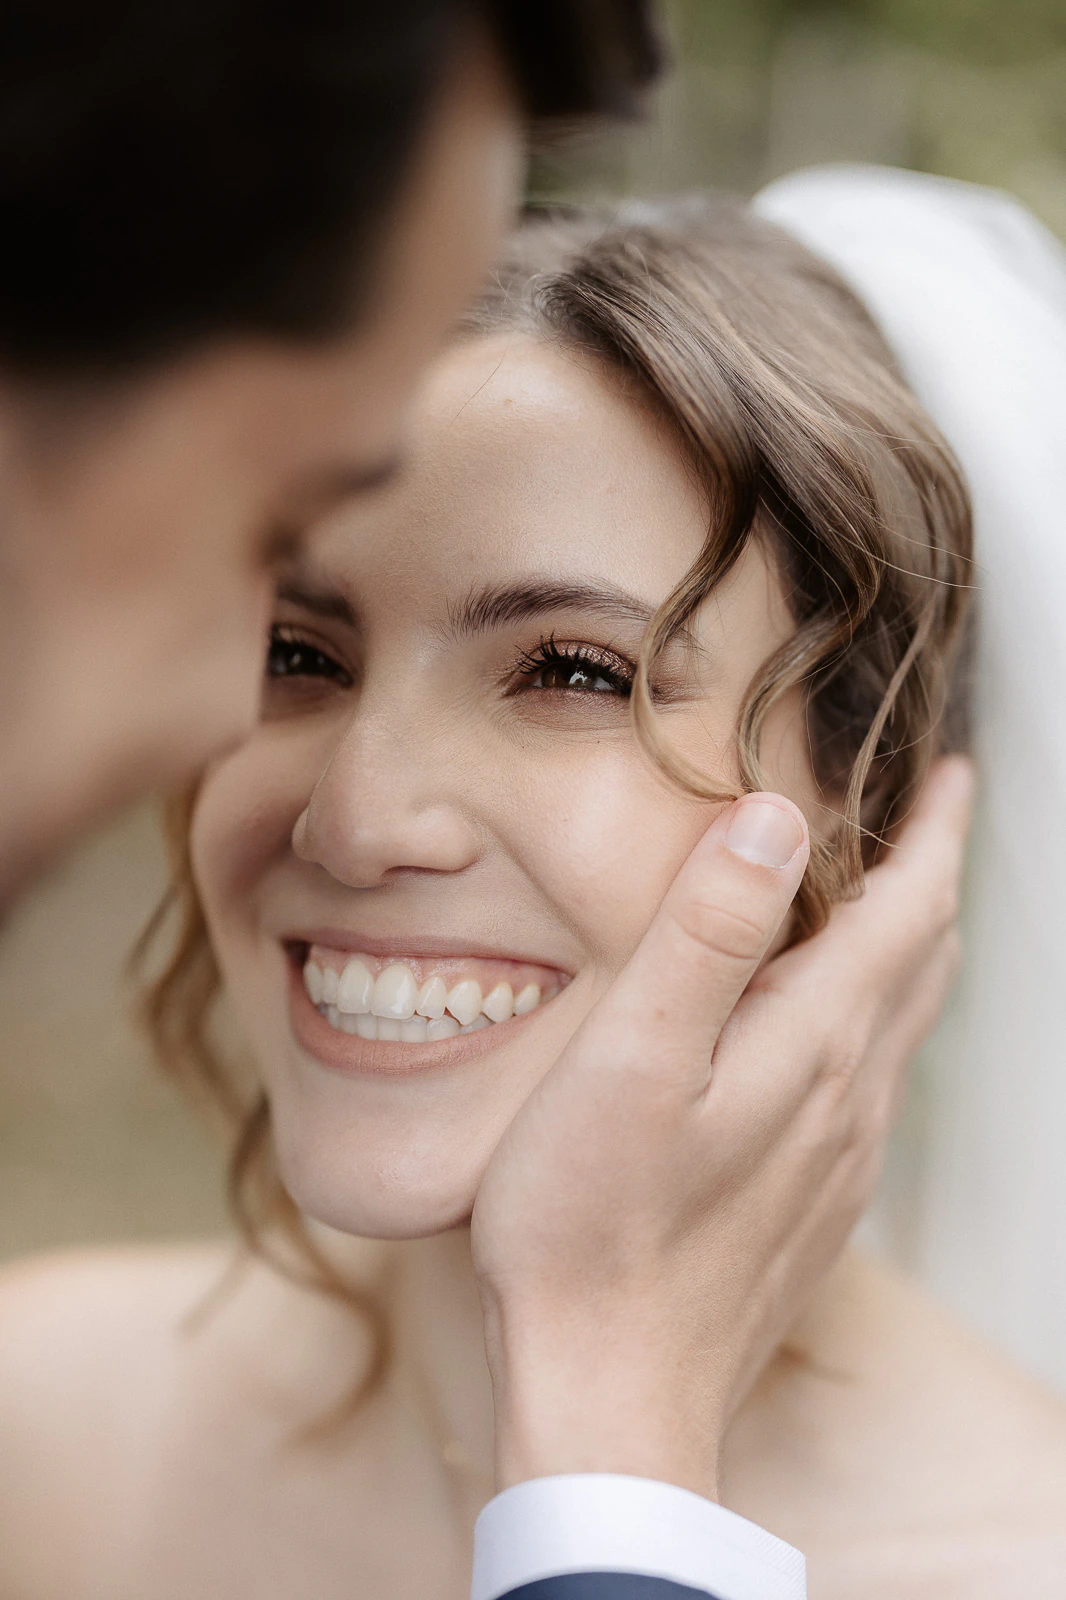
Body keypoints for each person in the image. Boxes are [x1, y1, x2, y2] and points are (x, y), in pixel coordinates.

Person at [0, 6, 972, 1598]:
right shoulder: (36, 1430)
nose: (358, 819)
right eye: (291, 647)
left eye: (574, 673)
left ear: (872, 808)